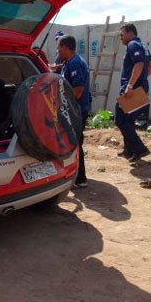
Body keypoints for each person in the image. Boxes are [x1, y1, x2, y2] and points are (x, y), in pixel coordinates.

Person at [115, 23, 151, 163]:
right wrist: (142, 79)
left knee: (120, 120)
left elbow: (139, 65)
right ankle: (129, 150)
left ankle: (139, 149)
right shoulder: (142, 46)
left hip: (132, 90)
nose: (120, 38)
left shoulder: (132, 45)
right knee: (128, 121)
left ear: (129, 33)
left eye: (122, 34)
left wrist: (131, 84)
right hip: (139, 88)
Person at [57, 35, 91, 188]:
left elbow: (77, 90)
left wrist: (65, 105)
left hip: (76, 111)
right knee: (74, 141)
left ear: (65, 47)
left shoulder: (75, 63)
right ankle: (77, 175)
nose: (58, 51)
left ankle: (80, 178)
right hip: (75, 109)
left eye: (59, 48)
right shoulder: (70, 62)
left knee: (75, 142)